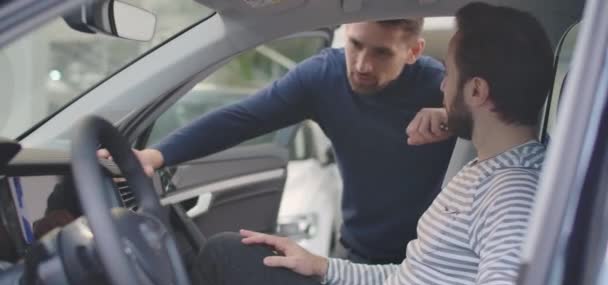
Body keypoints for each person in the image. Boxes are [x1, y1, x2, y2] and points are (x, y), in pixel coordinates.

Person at [188, 2, 554, 285]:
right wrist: (322, 267)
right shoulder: (487, 169)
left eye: (450, 74)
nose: (442, 88)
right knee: (228, 253)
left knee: (221, 260)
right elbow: (411, 279)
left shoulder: (513, 188)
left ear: (475, 91)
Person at [100, 18, 457, 264]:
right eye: (356, 45)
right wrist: (156, 155)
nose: (362, 64)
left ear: (413, 51)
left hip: (428, 261)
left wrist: (454, 118)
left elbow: (504, 128)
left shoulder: (442, 87)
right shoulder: (321, 77)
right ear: (347, 33)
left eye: (381, 53)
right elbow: (242, 118)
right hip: (356, 253)